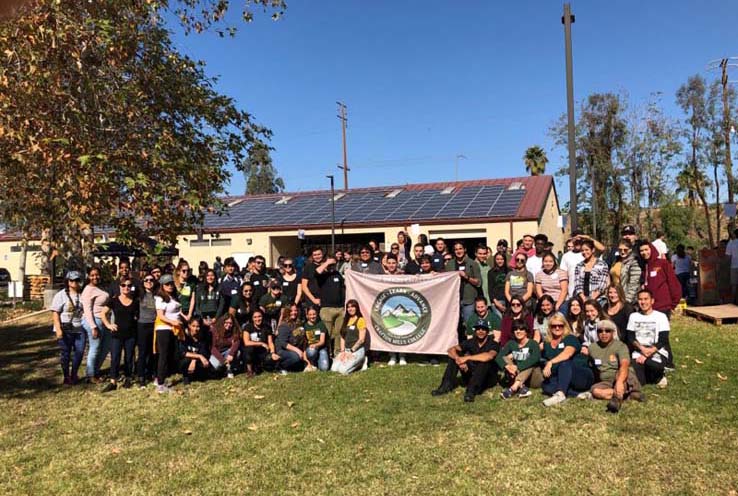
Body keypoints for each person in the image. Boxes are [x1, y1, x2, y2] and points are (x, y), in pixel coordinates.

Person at [430, 319, 499, 402]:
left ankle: (471, 392)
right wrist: (458, 360)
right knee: (454, 357)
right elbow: (451, 350)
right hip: (472, 374)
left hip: (486, 378)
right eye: (478, 329)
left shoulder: (493, 343)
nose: (480, 331)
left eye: (483, 329)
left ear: (487, 331)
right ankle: (445, 386)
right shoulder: (471, 342)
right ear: (475, 331)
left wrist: (466, 358)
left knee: (484, 362)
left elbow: (488, 356)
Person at [588, 319, 644, 413]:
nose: (604, 333)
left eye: (607, 331)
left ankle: (617, 401)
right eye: (600, 331)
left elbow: (624, 365)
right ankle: (627, 395)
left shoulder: (620, 346)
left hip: (624, 377)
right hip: (607, 381)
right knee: (595, 391)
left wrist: (619, 382)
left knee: (620, 374)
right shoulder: (592, 348)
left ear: (613, 333)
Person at [540, 314, 594, 406]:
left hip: (581, 375)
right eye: (554, 326)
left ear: (565, 326)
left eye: (560, 325)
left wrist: (550, 362)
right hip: (562, 377)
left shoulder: (570, 338)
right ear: (549, 327)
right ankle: (578, 394)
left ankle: (560, 394)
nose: (557, 328)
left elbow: (567, 354)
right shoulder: (546, 343)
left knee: (564, 363)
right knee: (546, 386)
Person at [100, 276, 139, 392]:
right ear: (120, 287)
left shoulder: (135, 302)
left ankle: (128, 378)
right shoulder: (114, 300)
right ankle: (113, 381)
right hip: (117, 334)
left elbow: (138, 316)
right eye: (123, 285)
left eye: (129, 285)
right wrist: (108, 325)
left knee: (129, 358)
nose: (126, 287)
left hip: (131, 334)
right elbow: (103, 314)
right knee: (115, 357)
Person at [626, 289, 672, 388]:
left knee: (653, 365)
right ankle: (651, 376)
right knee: (639, 381)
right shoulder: (633, 316)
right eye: (640, 299)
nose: (643, 302)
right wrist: (642, 350)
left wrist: (648, 353)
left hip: (657, 352)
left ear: (652, 301)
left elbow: (663, 339)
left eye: (646, 299)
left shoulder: (661, 317)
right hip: (639, 352)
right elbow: (631, 337)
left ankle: (660, 375)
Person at [50, 271, 87, 385]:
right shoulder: (60, 295)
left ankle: (74, 373)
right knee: (66, 353)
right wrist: (58, 330)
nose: (74, 283)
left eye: (77, 280)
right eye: (72, 280)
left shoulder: (82, 295)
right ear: (67, 282)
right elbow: (55, 313)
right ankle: (66, 376)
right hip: (65, 327)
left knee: (80, 352)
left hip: (79, 327)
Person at [445, 241, 482, 339]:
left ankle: (470, 349)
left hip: (468, 300)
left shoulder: (473, 264)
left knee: (468, 326)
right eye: (456, 249)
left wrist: (466, 277)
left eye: (460, 248)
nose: (458, 251)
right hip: (453, 300)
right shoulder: (449, 264)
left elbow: (478, 283)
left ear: (465, 249)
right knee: (454, 326)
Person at [497, 319, 541, 399]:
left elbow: (536, 358)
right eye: (515, 329)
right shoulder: (511, 343)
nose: (518, 331)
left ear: (526, 331)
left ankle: (512, 389)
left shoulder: (533, 343)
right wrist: (507, 366)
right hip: (516, 374)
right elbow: (499, 357)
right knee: (505, 358)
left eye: (521, 329)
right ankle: (521, 387)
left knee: (529, 362)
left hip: (534, 378)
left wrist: (517, 367)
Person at [154, 274, 183, 393]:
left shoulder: (173, 297)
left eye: (171, 283)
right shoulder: (160, 298)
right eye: (167, 284)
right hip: (164, 328)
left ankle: (161, 377)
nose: (170, 286)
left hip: (173, 329)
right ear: (162, 286)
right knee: (164, 355)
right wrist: (173, 322)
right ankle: (160, 384)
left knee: (172, 354)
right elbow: (160, 315)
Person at [81, 267, 111, 383]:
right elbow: (87, 310)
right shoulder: (88, 290)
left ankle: (96, 370)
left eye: (97, 275)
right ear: (88, 276)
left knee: (105, 347)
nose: (95, 277)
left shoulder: (99, 287)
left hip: (104, 320)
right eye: (92, 275)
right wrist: (93, 326)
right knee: (95, 348)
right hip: (94, 321)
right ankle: (90, 374)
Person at [640, 242, 681, 318]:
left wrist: (673, 304)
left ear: (651, 249)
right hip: (648, 308)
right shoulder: (643, 267)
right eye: (642, 251)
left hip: (663, 307)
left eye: (646, 249)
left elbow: (673, 283)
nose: (644, 253)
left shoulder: (663, 263)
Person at [315, 254, 345, 356]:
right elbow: (317, 272)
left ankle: (337, 353)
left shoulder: (338, 275)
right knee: (327, 333)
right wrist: (327, 262)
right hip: (326, 308)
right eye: (330, 264)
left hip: (340, 308)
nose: (332, 266)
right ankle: (327, 353)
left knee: (339, 333)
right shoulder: (322, 275)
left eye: (334, 264)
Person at [330, 300, 367, 375]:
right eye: (348, 307)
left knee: (343, 371)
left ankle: (362, 361)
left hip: (356, 350)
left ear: (356, 308)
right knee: (334, 369)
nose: (350, 309)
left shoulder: (360, 320)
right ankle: (352, 362)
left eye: (353, 306)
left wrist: (351, 351)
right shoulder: (346, 320)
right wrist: (343, 352)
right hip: (346, 350)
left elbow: (362, 339)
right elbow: (342, 337)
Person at [136, 271, 158, 387]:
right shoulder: (139, 294)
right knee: (142, 352)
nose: (149, 282)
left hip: (154, 325)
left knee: (152, 351)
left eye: (151, 280)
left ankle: (151, 373)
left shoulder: (157, 294)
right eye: (146, 280)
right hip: (142, 325)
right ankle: (141, 376)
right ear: (143, 282)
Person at [573, 239, 610, 304]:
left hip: (599, 300)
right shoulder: (579, 266)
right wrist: (584, 298)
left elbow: (602, 284)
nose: (584, 252)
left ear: (593, 250)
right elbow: (577, 283)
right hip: (582, 299)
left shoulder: (602, 265)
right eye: (582, 250)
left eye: (587, 250)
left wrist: (592, 298)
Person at [272, 305, 307, 373]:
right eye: (291, 311)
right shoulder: (284, 325)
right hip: (282, 350)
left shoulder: (299, 323)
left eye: (295, 310)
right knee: (296, 357)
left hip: (293, 348)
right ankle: (279, 366)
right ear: (287, 312)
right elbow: (283, 343)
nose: (294, 312)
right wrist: (298, 351)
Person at [177, 317, 211, 384]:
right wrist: (199, 356)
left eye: (198, 326)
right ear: (189, 325)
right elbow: (183, 353)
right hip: (184, 361)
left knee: (207, 363)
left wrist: (194, 360)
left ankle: (196, 375)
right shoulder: (184, 336)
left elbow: (203, 352)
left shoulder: (203, 337)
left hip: (197, 361)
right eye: (193, 326)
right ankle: (186, 376)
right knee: (186, 361)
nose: (195, 329)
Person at [241, 309, 274, 377]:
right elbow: (246, 342)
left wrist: (272, 353)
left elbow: (270, 342)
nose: (257, 319)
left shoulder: (267, 327)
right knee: (249, 349)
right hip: (251, 353)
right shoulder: (248, 327)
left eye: (259, 316)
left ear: (262, 317)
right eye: (255, 317)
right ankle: (249, 371)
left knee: (271, 360)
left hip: (262, 352)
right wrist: (261, 343)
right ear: (252, 318)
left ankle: (260, 366)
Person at [209, 314, 241, 378]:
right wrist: (223, 360)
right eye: (226, 322)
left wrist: (231, 354)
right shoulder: (214, 330)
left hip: (226, 352)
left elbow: (237, 342)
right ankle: (224, 369)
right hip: (215, 353)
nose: (228, 325)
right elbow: (212, 348)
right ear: (222, 321)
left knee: (237, 353)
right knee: (216, 365)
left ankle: (229, 369)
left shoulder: (234, 330)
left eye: (230, 323)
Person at [303, 306, 330, 371]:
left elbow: (322, 341)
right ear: (307, 316)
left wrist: (315, 345)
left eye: (314, 314)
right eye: (310, 315)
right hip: (310, 349)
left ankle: (317, 362)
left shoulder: (321, 324)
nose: (312, 316)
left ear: (317, 314)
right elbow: (304, 343)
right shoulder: (304, 326)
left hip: (321, 348)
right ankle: (311, 363)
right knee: (311, 352)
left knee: (324, 368)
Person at [617, 239, 642, 305]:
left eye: (625, 250)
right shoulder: (617, 261)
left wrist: (627, 300)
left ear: (630, 249)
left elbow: (634, 283)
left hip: (628, 300)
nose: (622, 252)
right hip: (617, 297)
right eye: (620, 250)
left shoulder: (634, 262)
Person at [559, 235, 584, 299]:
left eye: (579, 241)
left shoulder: (587, 253)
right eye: (576, 241)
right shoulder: (566, 256)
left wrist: (587, 237)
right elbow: (563, 275)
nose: (577, 243)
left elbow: (602, 248)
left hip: (586, 292)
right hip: (571, 292)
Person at [488, 252, 509, 319]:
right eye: (498, 259)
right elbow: (490, 289)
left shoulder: (509, 271)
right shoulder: (491, 272)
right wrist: (496, 302)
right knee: (499, 321)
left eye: (502, 259)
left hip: (508, 300)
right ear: (495, 260)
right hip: (496, 301)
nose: (500, 261)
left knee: (507, 321)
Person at [726, 229, 738, 304]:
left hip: (734, 266)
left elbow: (728, 256)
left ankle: (733, 301)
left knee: (734, 285)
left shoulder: (731, 243)